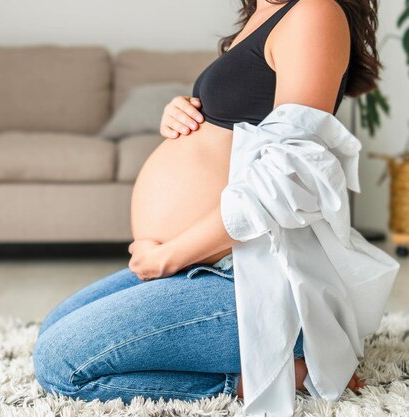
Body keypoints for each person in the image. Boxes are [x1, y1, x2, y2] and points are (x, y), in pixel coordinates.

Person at [33, 0, 381, 404]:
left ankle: (284, 369)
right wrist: (184, 111)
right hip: (207, 264)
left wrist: (171, 255)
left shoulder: (314, 10)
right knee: (54, 330)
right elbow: (239, 123)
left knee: (60, 364)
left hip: (250, 275)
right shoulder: (263, 12)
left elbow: (293, 174)